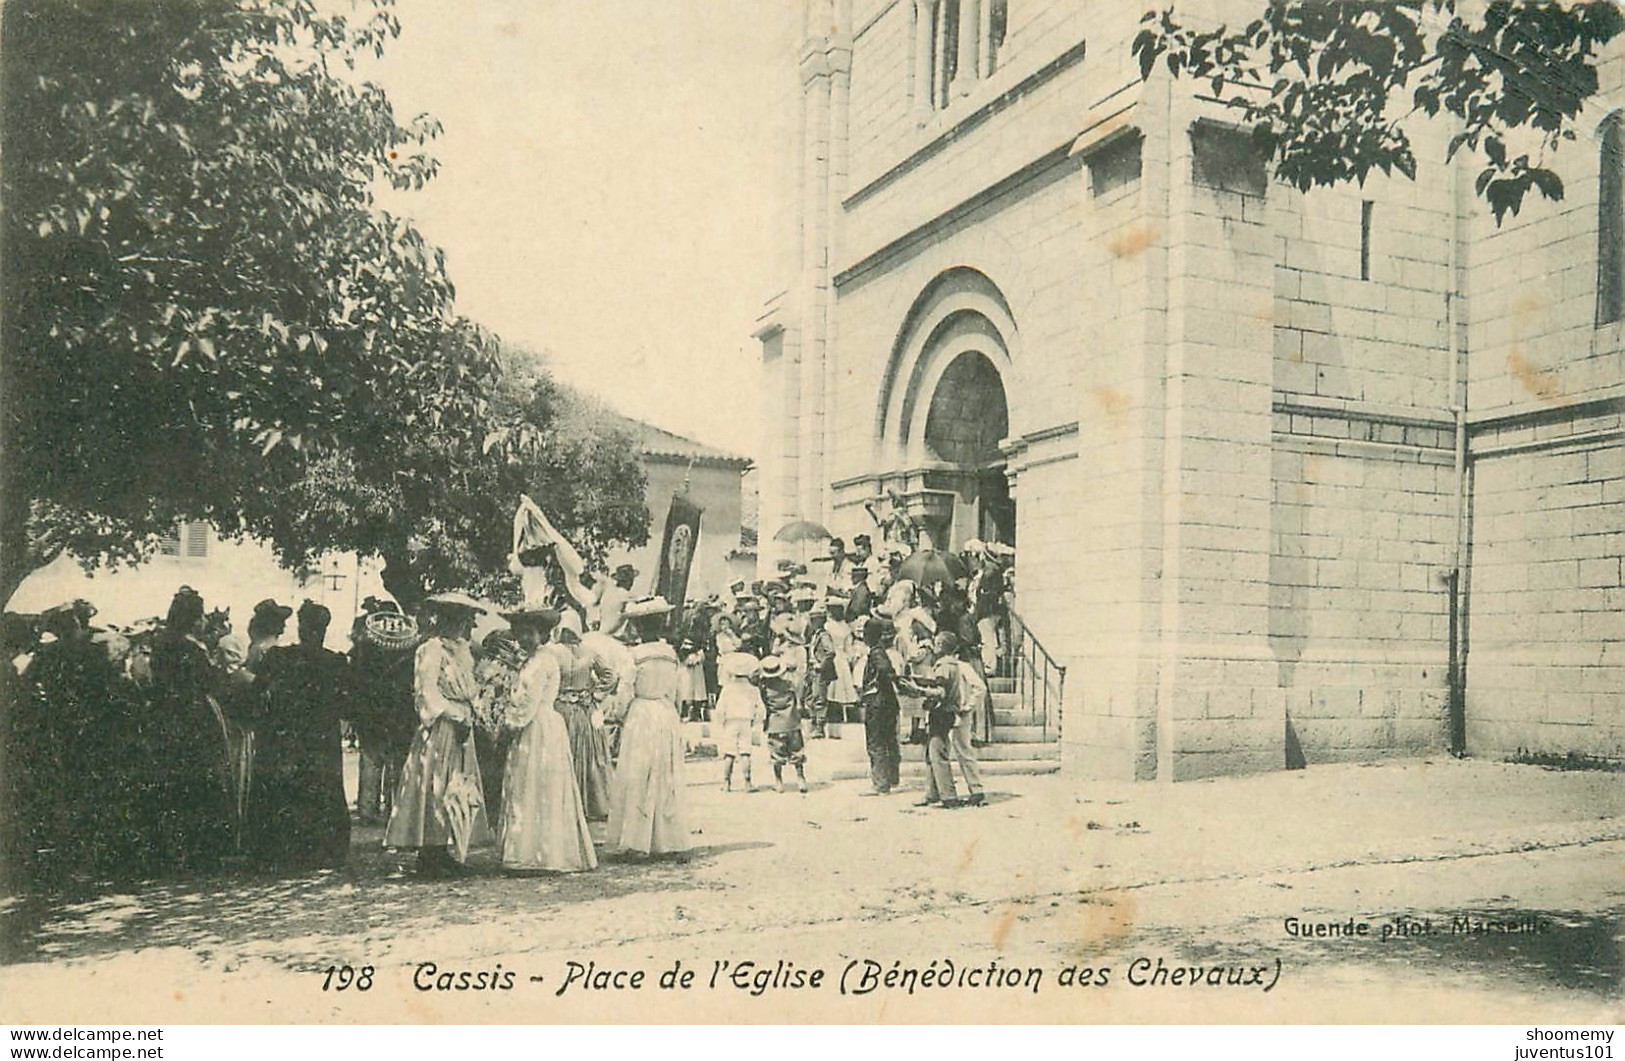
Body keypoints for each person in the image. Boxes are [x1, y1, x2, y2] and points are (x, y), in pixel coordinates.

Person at [384, 593, 493, 878]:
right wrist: (453, 716)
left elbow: (470, 686)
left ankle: (446, 848)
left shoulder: (462, 650)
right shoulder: (431, 649)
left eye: (467, 621)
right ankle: (429, 852)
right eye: (461, 620)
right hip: (442, 726)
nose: (465, 627)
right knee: (436, 783)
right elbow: (426, 691)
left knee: (456, 785)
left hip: (462, 726)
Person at [248, 601, 350, 870]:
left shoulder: (280, 657)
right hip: (321, 735)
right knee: (321, 786)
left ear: (301, 627)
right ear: (324, 629)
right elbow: (345, 701)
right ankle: (321, 850)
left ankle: (281, 850)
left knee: (288, 787)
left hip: (288, 734)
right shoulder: (335, 662)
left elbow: (258, 690)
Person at [497, 607, 597, 874]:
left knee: (538, 784)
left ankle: (541, 853)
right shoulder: (531, 660)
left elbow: (529, 702)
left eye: (529, 634)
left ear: (542, 634)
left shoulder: (543, 661)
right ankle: (528, 849)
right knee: (529, 784)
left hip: (538, 725)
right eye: (520, 634)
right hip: (535, 725)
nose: (523, 639)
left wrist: (509, 723)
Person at [146, 587, 234, 872]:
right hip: (194, 719)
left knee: (171, 784)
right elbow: (212, 683)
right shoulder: (193, 649)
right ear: (194, 619)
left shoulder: (160, 645)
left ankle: (169, 849)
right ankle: (202, 850)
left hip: (164, 718)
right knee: (200, 782)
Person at [604, 598, 690, 858]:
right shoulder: (671, 655)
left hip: (641, 714)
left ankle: (636, 840)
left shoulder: (633, 657)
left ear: (638, 628)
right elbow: (678, 691)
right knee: (664, 774)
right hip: (665, 713)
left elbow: (625, 692)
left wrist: (617, 716)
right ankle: (666, 841)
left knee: (638, 774)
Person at [546, 620, 613, 822]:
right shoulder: (590, 651)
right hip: (585, 707)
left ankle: (569, 803)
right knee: (591, 753)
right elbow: (610, 675)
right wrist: (595, 695)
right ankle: (591, 803)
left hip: (562, 707)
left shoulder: (552, 652)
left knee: (569, 752)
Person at [901, 634, 962, 810]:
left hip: (941, 713)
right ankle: (932, 793)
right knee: (931, 754)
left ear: (942, 645)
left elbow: (941, 692)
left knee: (938, 755)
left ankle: (949, 796)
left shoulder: (943, 666)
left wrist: (918, 689)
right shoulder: (953, 664)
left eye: (936, 644)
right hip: (944, 713)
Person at [858, 617, 902, 795]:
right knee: (889, 740)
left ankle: (881, 784)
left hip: (877, 703)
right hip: (888, 701)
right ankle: (892, 777)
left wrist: (878, 683)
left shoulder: (876, 652)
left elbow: (884, 670)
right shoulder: (881, 651)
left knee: (876, 742)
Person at [714, 647, 762, 793]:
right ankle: (748, 783)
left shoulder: (727, 689)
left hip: (730, 722)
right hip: (746, 722)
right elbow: (760, 709)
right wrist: (756, 721)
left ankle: (726, 783)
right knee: (745, 752)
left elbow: (720, 709)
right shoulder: (754, 690)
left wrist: (720, 722)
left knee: (729, 752)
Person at [757, 656, 807, 794]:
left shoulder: (765, 689)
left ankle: (779, 782)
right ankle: (801, 778)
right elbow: (798, 702)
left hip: (775, 723)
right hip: (792, 722)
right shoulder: (789, 685)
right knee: (797, 751)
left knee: (776, 755)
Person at [823, 600, 860, 727]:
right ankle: (838, 712)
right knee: (840, 685)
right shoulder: (840, 627)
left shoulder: (832, 626)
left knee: (837, 685)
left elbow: (846, 646)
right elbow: (848, 648)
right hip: (839, 657)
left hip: (836, 657)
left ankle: (837, 713)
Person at [596, 564, 638, 637]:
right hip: (615, 636)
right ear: (627, 581)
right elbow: (637, 610)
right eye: (631, 580)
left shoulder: (608, 593)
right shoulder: (627, 595)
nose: (632, 583)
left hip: (602, 633)